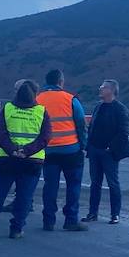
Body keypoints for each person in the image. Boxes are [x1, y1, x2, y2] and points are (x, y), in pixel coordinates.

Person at [0, 80, 52, 239]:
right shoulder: (42, 112)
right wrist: (27, 151)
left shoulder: (8, 109)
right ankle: (16, 228)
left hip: (9, 159)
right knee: (24, 196)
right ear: (34, 95)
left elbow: (0, 133)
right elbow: (45, 137)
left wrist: (12, 150)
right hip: (32, 161)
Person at [37, 69, 89, 232]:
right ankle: (71, 219)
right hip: (71, 150)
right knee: (73, 185)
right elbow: (81, 124)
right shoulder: (70, 99)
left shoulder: (37, 99)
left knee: (50, 186)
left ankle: (48, 220)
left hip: (49, 150)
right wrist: (83, 145)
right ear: (61, 82)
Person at [83, 80, 129, 224]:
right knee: (95, 183)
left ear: (111, 90)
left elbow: (123, 132)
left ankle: (115, 214)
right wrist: (89, 145)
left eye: (103, 87)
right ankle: (93, 213)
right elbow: (92, 126)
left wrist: (110, 147)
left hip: (109, 153)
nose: (100, 89)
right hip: (94, 150)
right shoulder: (98, 106)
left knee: (112, 183)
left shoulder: (120, 109)